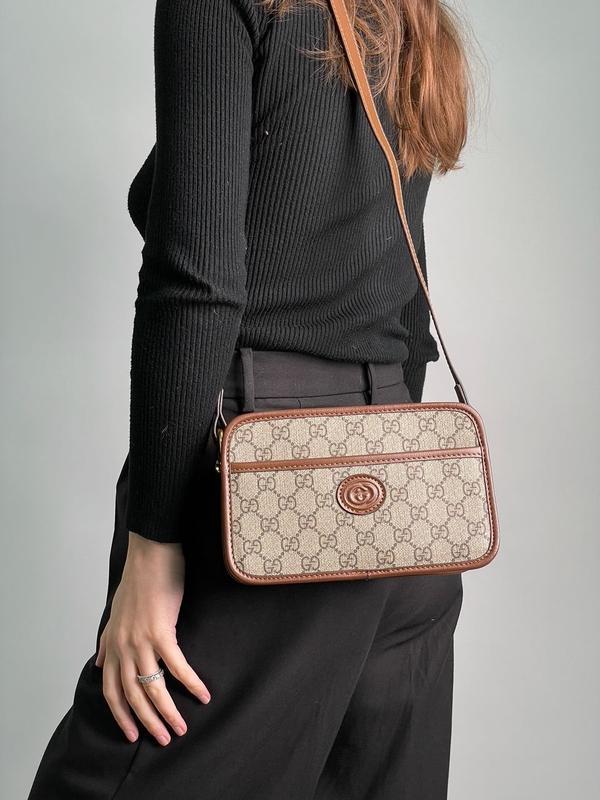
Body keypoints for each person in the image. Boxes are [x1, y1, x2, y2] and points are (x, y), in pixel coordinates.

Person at [28, 0, 474, 797]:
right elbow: (404, 297)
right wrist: (376, 467)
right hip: (401, 505)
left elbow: (197, 282)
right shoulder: (408, 12)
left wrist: (154, 548)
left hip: (264, 500)